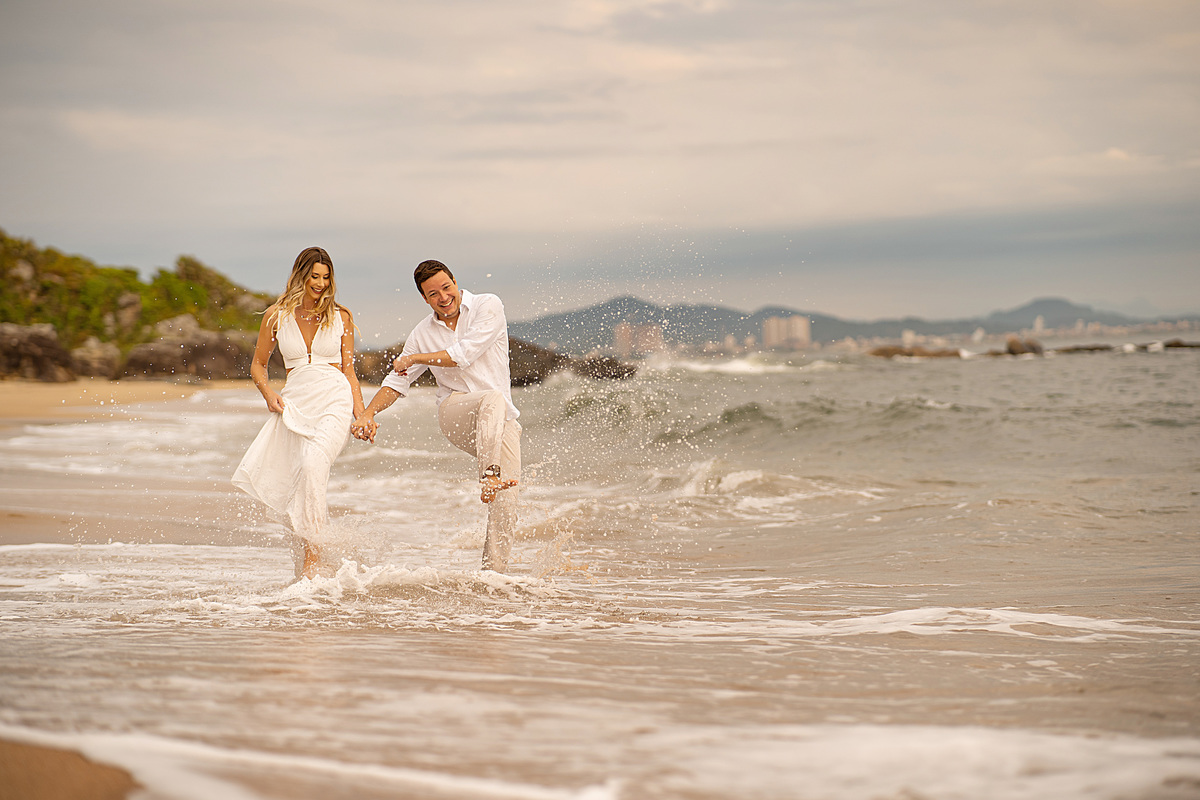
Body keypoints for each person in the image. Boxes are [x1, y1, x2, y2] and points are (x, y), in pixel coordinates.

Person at [352, 260, 521, 572]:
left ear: (455, 282)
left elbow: (464, 354)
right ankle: (489, 475)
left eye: (446, 288)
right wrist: (367, 413)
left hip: (500, 421)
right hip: (456, 411)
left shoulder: (488, 305)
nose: (443, 297)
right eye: (433, 294)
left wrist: (415, 358)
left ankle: (493, 577)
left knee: (507, 505)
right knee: (492, 401)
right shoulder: (423, 333)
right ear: (424, 298)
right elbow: (397, 381)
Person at [232, 247, 367, 579]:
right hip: (295, 403)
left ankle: (313, 560)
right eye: (314, 277)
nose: (320, 284)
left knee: (312, 466)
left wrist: (361, 415)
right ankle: (308, 561)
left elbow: (349, 371)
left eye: (325, 278)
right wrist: (267, 394)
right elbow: (258, 365)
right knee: (300, 481)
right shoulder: (275, 316)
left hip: (334, 399)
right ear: (300, 276)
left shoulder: (342, 317)